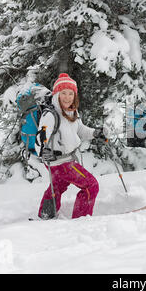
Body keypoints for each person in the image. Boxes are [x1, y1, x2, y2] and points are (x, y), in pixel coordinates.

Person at [35, 73, 105, 219]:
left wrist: (95, 133)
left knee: (58, 186)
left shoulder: (72, 112)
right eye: (63, 93)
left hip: (62, 161)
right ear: (56, 95)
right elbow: (42, 135)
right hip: (61, 162)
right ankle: (81, 218)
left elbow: (81, 130)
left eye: (71, 93)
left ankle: (46, 214)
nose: (67, 97)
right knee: (91, 186)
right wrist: (42, 150)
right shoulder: (50, 114)